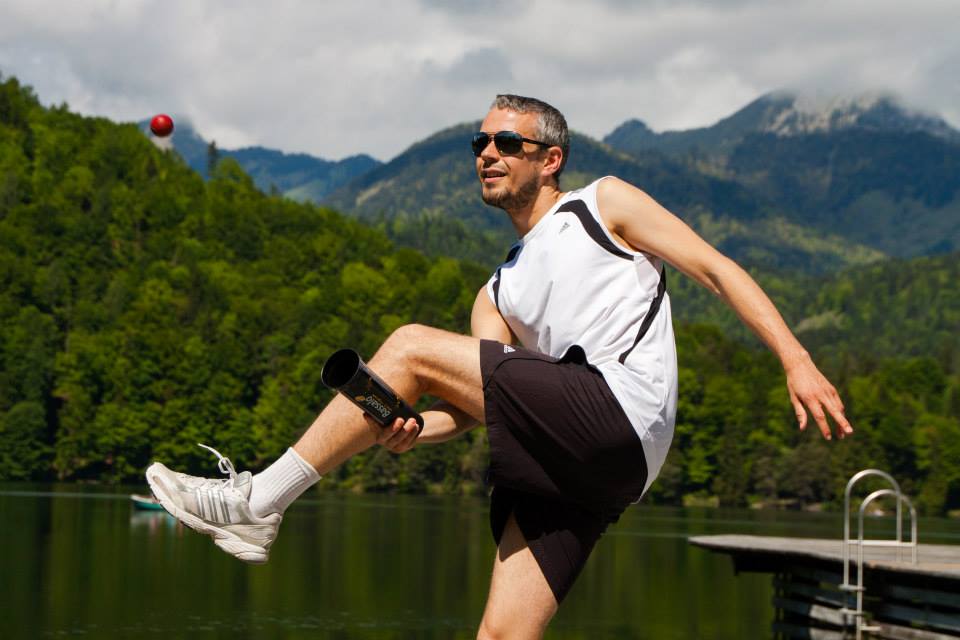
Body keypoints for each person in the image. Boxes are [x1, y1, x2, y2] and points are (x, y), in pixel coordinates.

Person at [147, 94, 852, 639]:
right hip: (578, 462)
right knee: (501, 633)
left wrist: (795, 359)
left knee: (410, 344)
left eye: (507, 143)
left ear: (550, 159)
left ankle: (257, 503)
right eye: (479, 143)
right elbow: (475, 405)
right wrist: (411, 429)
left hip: (618, 414)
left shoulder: (602, 205)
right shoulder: (496, 292)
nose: (487, 153)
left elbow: (716, 269)